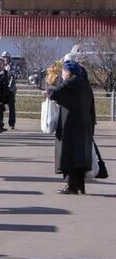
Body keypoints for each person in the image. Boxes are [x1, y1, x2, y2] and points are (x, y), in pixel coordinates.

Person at [48, 61, 96, 195]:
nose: (62, 74)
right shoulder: (86, 85)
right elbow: (92, 107)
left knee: (68, 155)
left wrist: (50, 86)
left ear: (68, 72)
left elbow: (54, 94)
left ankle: (71, 186)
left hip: (70, 126)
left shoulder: (70, 82)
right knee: (80, 156)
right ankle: (80, 186)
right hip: (85, 125)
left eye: (63, 71)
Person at [1, 52, 18, 130]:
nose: (5, 59)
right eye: (4, 57)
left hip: (11, 89)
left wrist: (11, 73)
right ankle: (0, 122)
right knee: (0, 106)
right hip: (2, 89)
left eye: (6, 57)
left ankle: (12, 123)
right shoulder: (0, 65)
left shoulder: (13, 65)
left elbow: (19, 75)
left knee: (11, 106)